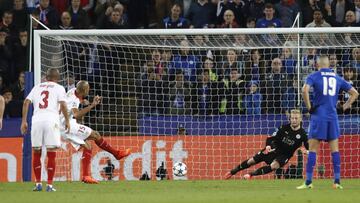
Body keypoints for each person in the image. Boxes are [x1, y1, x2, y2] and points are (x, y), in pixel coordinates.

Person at [297, 55, 359, 189]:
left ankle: (308, 182)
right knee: (335, 150)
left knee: (313, 149)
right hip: (332, 116)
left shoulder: (314, 76)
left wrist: (309, 107)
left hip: (319, 116)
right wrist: (344, 107)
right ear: (329, 65)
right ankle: (337, 182)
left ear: (317, 65)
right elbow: (355, 93)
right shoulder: (337, 77)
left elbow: (304, 90)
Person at [60, 80, 131, 184]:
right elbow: (77, 115)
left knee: (88, 146)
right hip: (67, 124)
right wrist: (92, 105)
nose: (89, 91)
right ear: (84, 90)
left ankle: (86, 177)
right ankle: (117, 154)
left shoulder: (72, 91)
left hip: (62, 124)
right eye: (88, 89)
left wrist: (83, 101)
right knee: (96, 135)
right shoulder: (74, 99)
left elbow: (72, 103)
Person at [20, 68, 71, 192]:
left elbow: (26, 102)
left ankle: (38, 184)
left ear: (46, 77)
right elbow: (63, 105)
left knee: (36, 152)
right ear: (57, 78)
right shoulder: (59, 88)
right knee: (51, 153)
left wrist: (24, 121)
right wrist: (67, 121)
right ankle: (49, 185)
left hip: (36, 121)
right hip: (51, 121)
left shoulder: (37, 87)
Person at [225, 109, 308, 179]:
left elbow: (308, 147)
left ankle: (250, 175)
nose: (293, 120)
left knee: (274, 166)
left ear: (300, 119)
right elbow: (270, 138)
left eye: (296, 118)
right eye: (292, 118)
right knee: (251, 161)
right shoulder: (283, 128)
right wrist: (268, 145)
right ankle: (232, 172)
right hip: (273, 149)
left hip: (284, 155)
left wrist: (306, 151)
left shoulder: (303, 134)